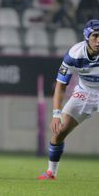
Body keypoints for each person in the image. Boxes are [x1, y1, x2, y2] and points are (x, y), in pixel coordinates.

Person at [38, 19, 99, 180]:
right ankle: (51, 172)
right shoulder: (74, 55)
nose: (98, 40)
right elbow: (60, 85)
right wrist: (56, 114)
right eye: (95, 36)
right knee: (60, 132)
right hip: (85, 92)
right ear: (87, 37)